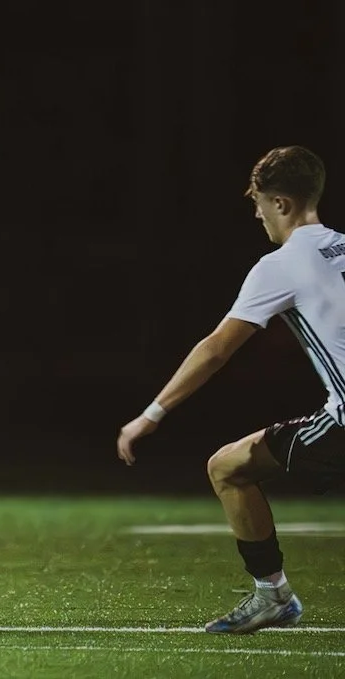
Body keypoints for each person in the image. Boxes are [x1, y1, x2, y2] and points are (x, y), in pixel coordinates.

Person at [117, 145, 345, 634]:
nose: (257, 214)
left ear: (281, 203)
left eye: (258, 202)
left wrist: (150, 414)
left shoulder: (280, 265)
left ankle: (273, 596)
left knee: (227, 468)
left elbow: (216, 349)